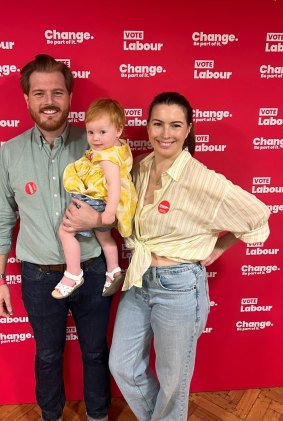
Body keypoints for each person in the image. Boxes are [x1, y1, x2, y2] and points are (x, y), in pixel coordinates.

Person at [108, 91, 271, 421]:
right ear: (148, 126)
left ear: (188, 130)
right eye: (158, 124)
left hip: (179, 288)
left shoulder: (200, 179)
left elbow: (258, 213)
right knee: (121, 365)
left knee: (173, 382)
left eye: (175, 125)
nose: (165, 133)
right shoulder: (140, 167)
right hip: (139, 280)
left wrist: (220, 247)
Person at [0, 54, 111, 421]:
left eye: (57, 92)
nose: (49, 101)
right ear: (27, 99)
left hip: (93, 270)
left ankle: (97, 415)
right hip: (38, 275)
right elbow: (3, 219)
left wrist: (98, 216)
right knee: (47, 355)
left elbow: (123, 201)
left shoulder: (97, 145)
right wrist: (0, 277)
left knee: (95, 352)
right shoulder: (9, 153)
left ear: (69, 97)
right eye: (40, 93)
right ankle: (52, 416)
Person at [51, 98, 137, 299]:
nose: (96, 138)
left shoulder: (107, 158)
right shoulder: (116, 150)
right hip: (101, 202)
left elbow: (115, 185)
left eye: (102, 132)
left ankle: (73, 272)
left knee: (65, 232)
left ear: (118, 130)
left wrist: (108, 213)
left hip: (96, 201)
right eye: (91, 132)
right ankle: (114, 270)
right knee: (104, 237)